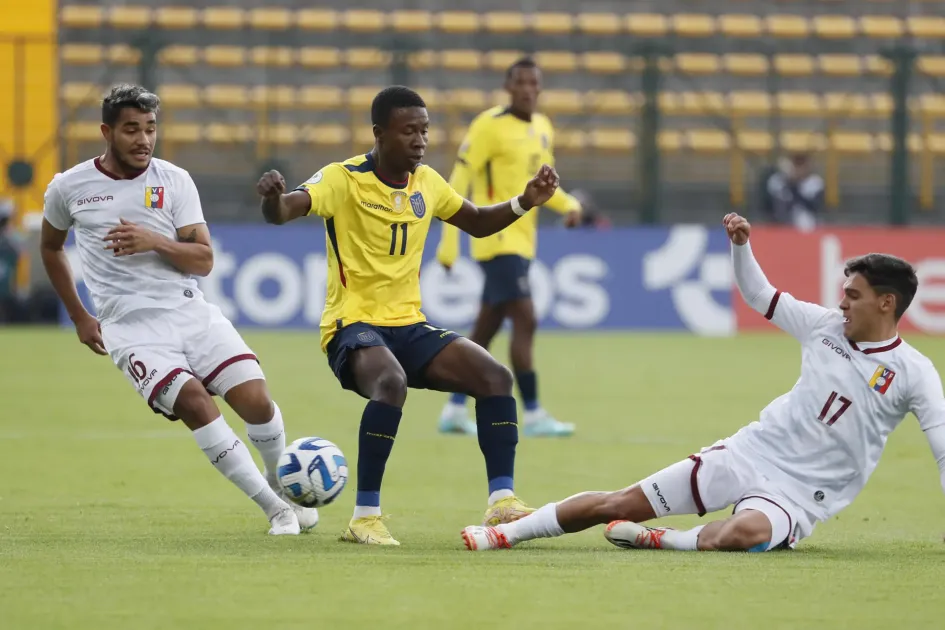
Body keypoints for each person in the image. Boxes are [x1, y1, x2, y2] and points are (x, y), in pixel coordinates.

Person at [461, 212, 945, 553]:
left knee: (739, 535)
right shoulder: (823, 326)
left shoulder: (914, 372)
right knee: (620, 501)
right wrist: (741, 246)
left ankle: (660, 540)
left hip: (798, 496)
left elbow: (941, 448)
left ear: (886, 304)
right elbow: (760, 294)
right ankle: (507, 534)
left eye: (853, 296)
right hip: (749, 453)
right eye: (843, 293)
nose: (842, 303)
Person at [256, 85, 560, 546]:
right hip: (350, 327)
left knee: (495, 377)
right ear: (379, 134)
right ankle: (365, 517)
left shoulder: (427, 182)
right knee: (390, 382)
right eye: (408, 132)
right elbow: (285, 211)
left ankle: (503, 503)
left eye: (424, 131)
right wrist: (272, 198)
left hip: (408, 325)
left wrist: (525, 201)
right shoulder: (344, 178)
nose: (420, 141)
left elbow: (476, 221)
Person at [40, 84, 317, 536]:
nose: (143, 140)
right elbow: (51, 248)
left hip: (189, 311)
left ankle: (278, 479)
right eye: (132, 129)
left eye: (150, 128)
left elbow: (204, 259)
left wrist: (155, 241)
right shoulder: (69, 187)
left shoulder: (174, 180)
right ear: (107, 132)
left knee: (257, 402)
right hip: (130, 328)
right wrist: (79, 315)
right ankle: (275, 509)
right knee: (194, 403)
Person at [435, 58, 584, 438]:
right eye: (521, 83)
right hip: (495, 236)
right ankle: (532, 412)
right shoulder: (489, 126)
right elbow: (460, 179)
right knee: (526, 317)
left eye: (535, 83)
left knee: (485, 329)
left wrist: (568, 206)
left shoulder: (543, 127)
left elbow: (542, 187)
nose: (528, 90)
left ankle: (453, 408)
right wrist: (449, 241)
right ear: (508, 86)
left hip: (523, 241)